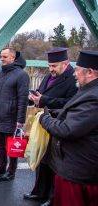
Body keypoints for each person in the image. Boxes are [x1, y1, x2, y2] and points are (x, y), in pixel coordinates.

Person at [39, 50, 98, 206]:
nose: (74, 74)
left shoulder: (93, 96)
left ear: (90, 72)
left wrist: (44, 118)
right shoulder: (89, 90)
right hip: (79, 167)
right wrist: (53, 112)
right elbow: (76, 113)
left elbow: (68, 129)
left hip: (78, 172)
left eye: (77, 69)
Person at [24, 47, 78, 205]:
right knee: (42, 158)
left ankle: (52, 197)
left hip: (58, 122)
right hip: (43, 123)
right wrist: (34, 98)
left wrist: (44, 100)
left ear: (66, 63)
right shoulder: (49, 76)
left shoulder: (73, 79)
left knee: (54, 163)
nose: (51, 69)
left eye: (54, 65)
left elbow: (70, 103)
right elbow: (41, 94)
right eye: (50, 65)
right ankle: (39, 192)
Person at [0, 47, 30, 181]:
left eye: (5, 57)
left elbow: (23, 99)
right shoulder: (0, 73)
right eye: (1, 56)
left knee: (11, 146)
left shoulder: (22, 75)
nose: (2, 59)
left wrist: (20, 120)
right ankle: (1, 166)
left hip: (12, 117)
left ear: (13, 58)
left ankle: (11, 172)